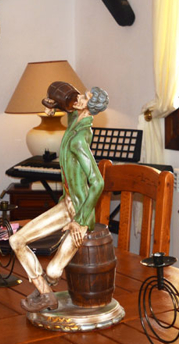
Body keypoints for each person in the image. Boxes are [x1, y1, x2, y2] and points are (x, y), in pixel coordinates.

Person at [10, 81, 109, 312]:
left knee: (54, 271)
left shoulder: (80, 138)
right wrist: (51, 104)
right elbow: (66, 104)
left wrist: (80, 221)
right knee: (16, 240)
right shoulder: (75, 119)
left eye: (85, 97)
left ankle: (45, 290)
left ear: (89, 107)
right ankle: (46, 294)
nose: (79, 98)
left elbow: (98, 182)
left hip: (79, 212)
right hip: (67, 204)